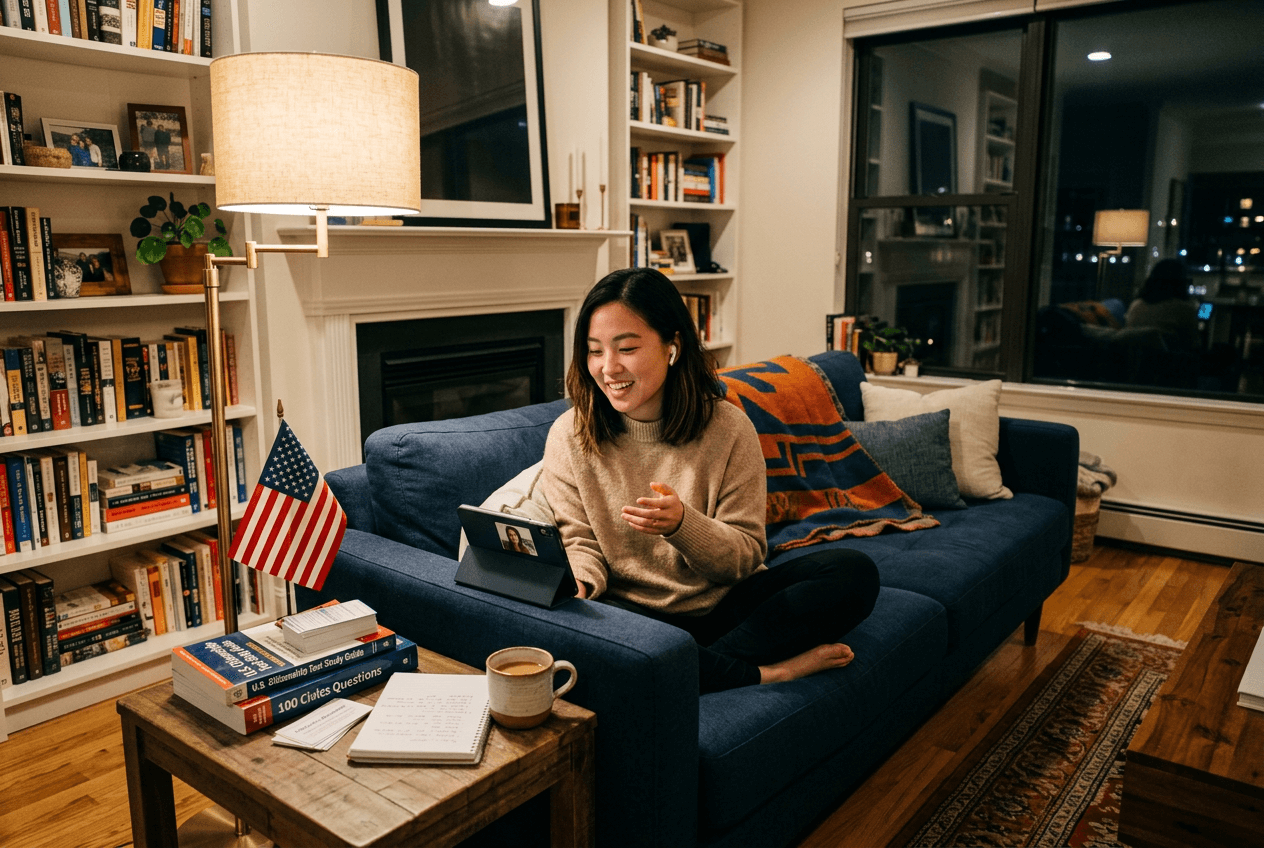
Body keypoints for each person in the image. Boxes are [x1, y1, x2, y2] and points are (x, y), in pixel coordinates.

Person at [541, 267, 880, 694]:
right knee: (574, 630)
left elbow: (744, 556)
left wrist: (683, 525)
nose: (608, 368)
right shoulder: (570, 434)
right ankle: (766, 672)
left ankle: (682, 669)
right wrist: (581, 582)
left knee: (853, 572)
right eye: (594, 351)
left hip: (723, 605)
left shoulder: (728, 428)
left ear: (672, 348)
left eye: (626, 348)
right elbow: (579, 541)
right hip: (629, 615)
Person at [1125, 258, 1200, 351]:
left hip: (1135, 362)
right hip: (1170, 364)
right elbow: (1192, 345)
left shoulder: (1136, 305)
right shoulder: (1184, 310)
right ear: (1181, 282)